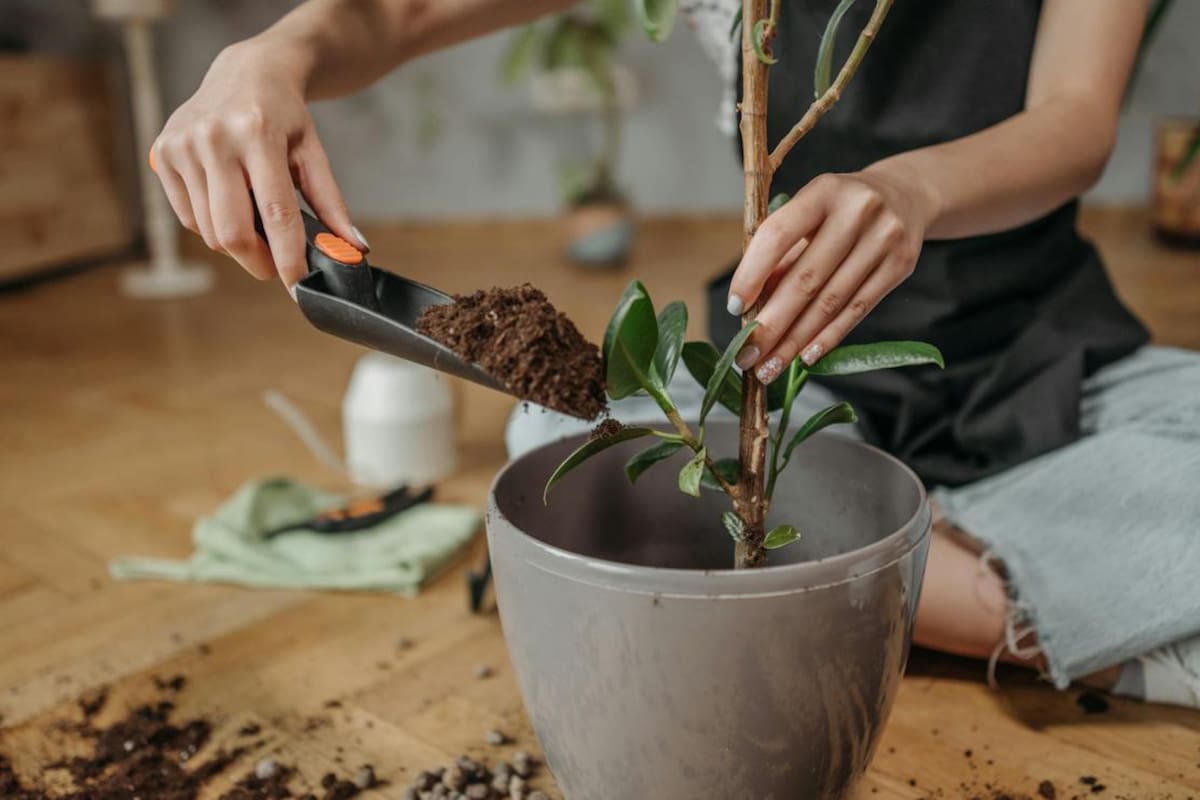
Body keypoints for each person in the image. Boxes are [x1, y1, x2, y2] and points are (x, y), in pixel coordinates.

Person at [151, 0, 1200, 708]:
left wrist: (911, 192)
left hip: (1046, 352)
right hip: (785, 375)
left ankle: (770, 571)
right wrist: (270, 53)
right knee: (557, 430)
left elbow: (1075, 121)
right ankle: (1047, 605)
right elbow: (394, 15)